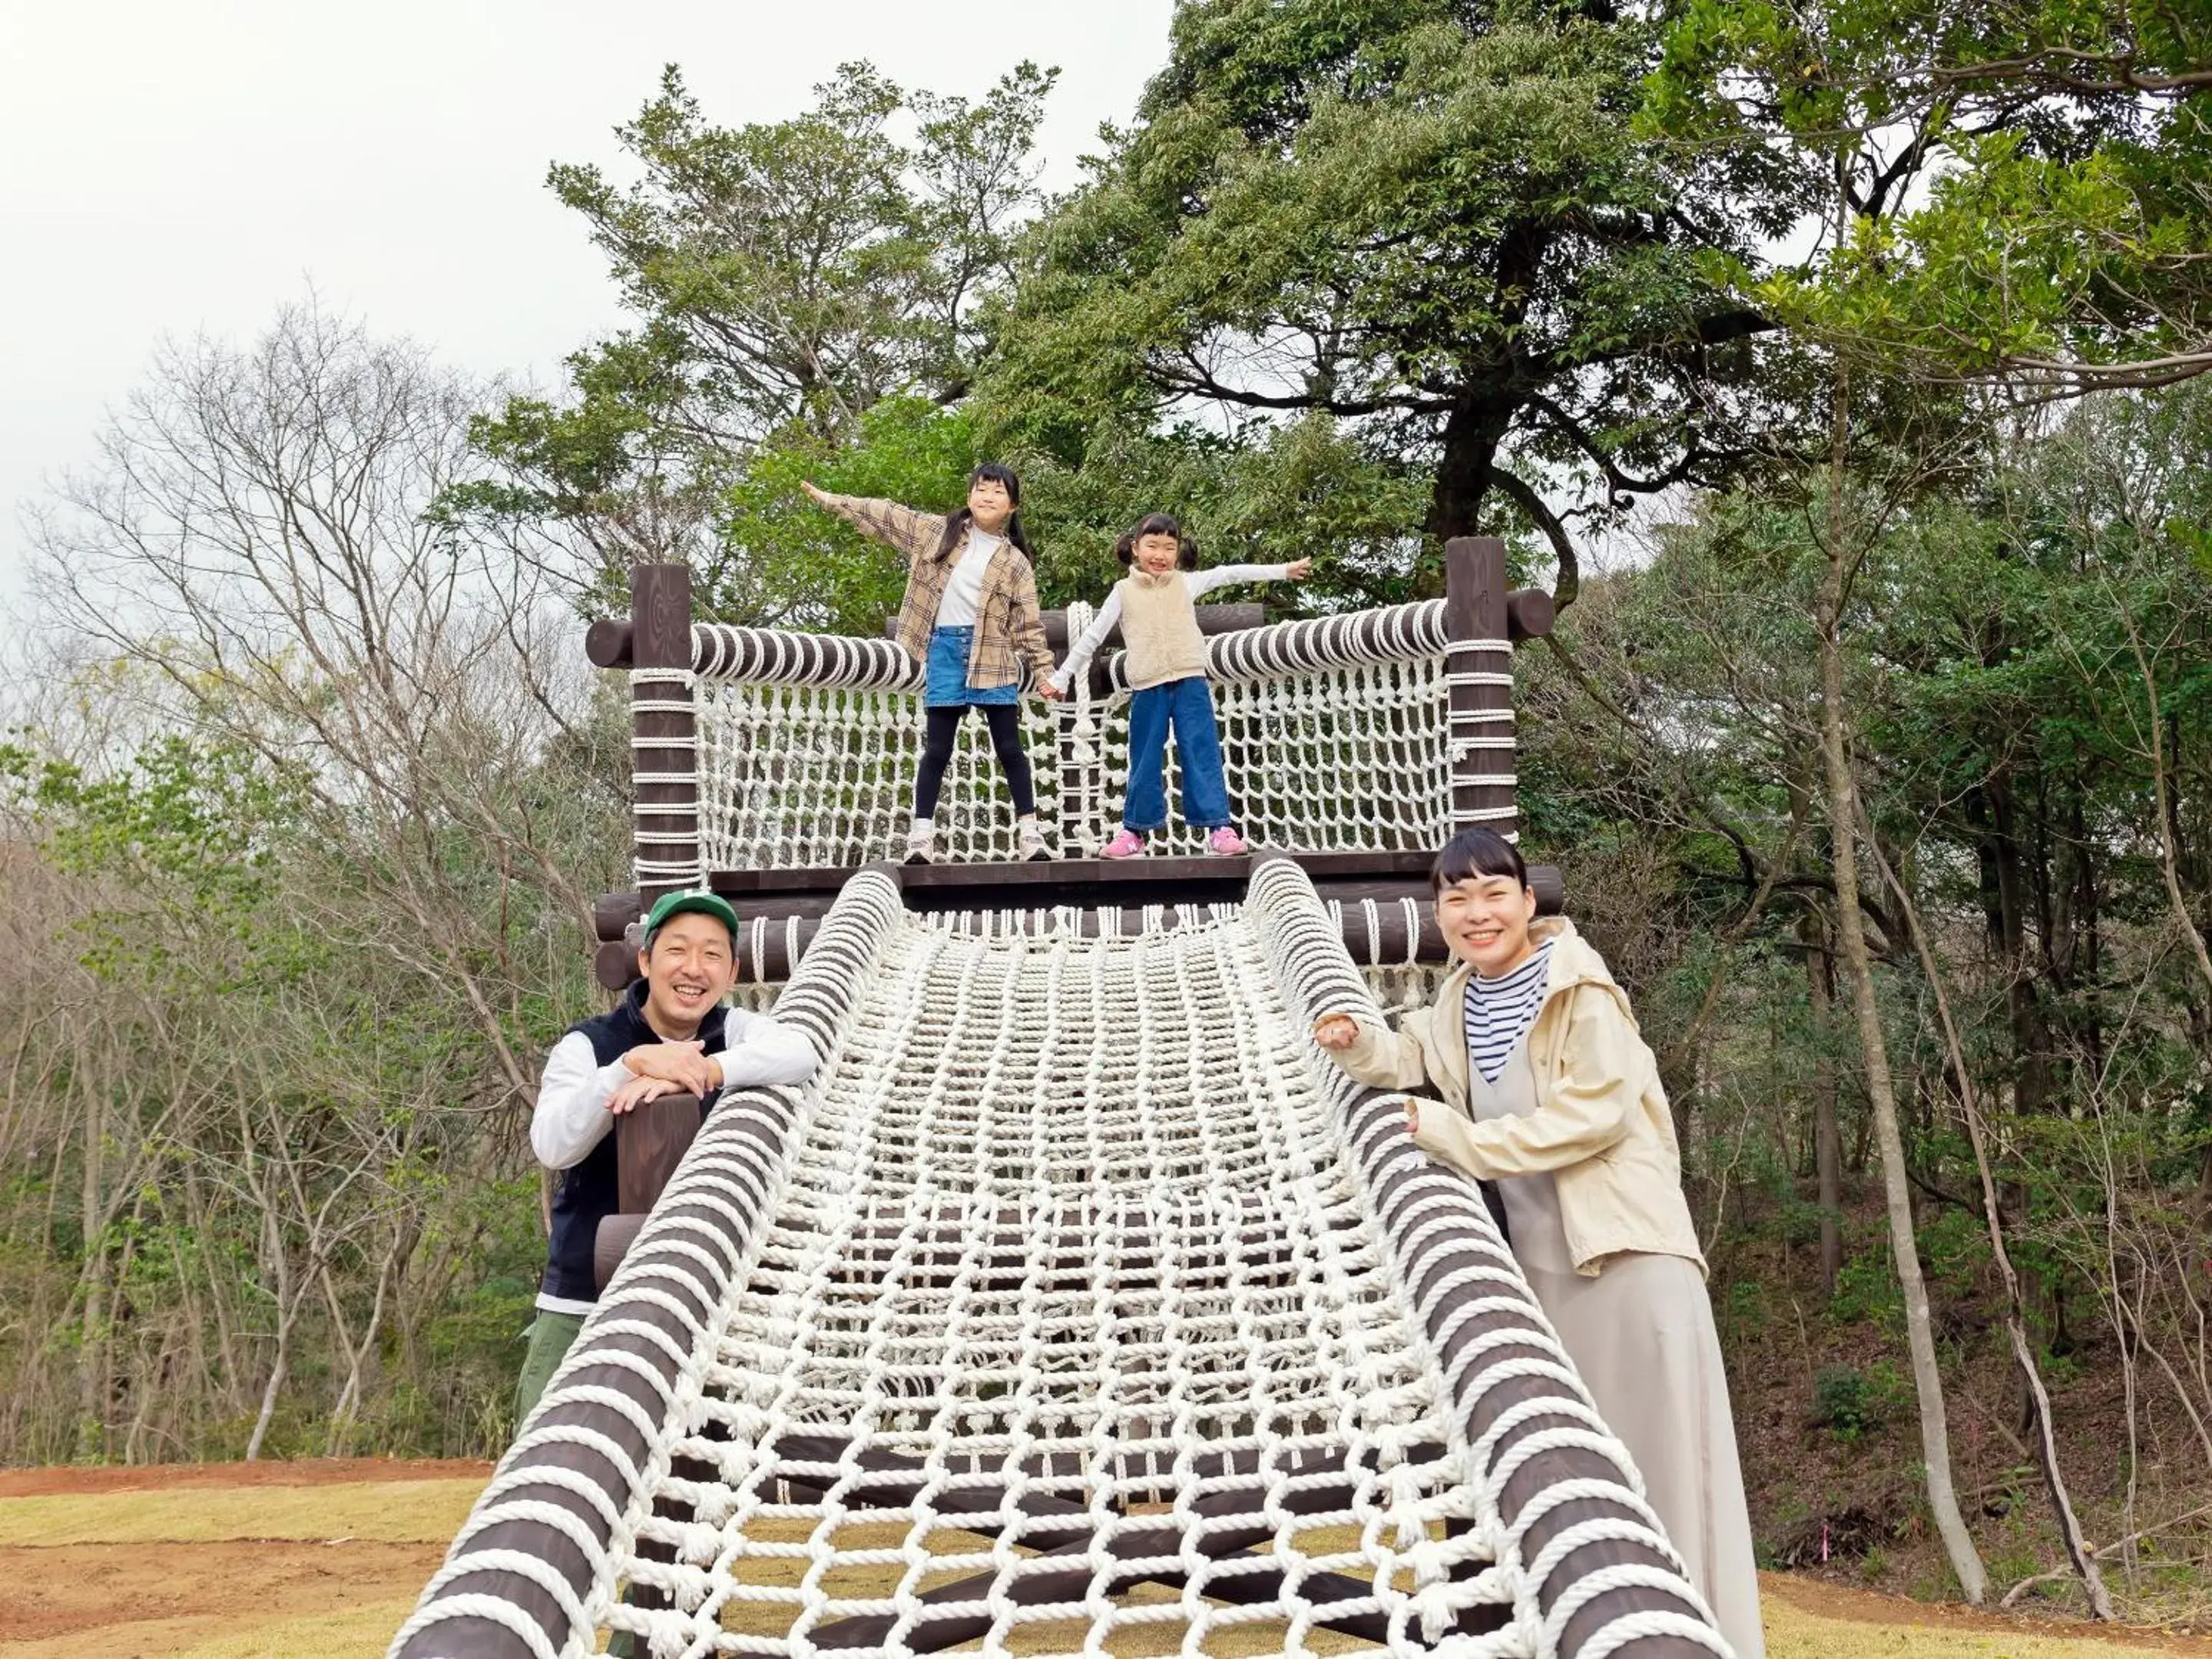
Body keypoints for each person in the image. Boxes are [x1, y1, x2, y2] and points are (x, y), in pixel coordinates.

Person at [1313, 829, 1764, 1658]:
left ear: (1529, 902)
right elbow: (1410, 1053)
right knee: (1582, 1478)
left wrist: (1459, 1140)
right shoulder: (1460, 998)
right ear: (1440, 913)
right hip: (1546, 1276)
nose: (1477, 913)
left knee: (1664, 1477)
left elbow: (1593, 1118)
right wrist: (1356, 1040)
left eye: (1494, 894)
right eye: (1457, 897)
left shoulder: (1583, 994)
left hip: (1629, 1261)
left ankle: (1696, 1641)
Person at [517, 889, 819, 1425]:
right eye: (677, 950)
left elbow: (801, 1053)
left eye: (712, 954)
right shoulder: (589, 1045)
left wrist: (707, 1070)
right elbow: (553, 1144)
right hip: (585, 1297)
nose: (694, 969)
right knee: (552, 1452)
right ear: (645, 960)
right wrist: (630, 1067)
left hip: (706, 1298)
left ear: (732, 973)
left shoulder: (736, 1032)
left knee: (696, 1473)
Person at [801, 466, 1062, 863]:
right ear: (969, 495)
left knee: (1009, 746)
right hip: (944, 649)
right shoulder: (938, 532)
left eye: (997, 492)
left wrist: (1043, 673)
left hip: (992, 652)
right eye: (980, 489)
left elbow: (1028, 624)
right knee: (937, 747)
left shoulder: (1016, 563)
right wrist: (834, 501)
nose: (987, 496)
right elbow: (886, 514)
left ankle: (1031, 836)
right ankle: (920, 838)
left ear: (1013, 505)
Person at [1051, 512, 1309, 857]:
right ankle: (1134, 832)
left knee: (1200, 752)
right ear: (1135, 548)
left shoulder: (1186, 583)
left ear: (1177, 551)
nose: (1160, 554)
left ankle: (1219, 828)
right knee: (1144, 757)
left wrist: (1282, 570)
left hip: (1190, 681)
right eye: (1152, 546)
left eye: (1169, 547)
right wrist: (1061, 676)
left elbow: (1229, 573)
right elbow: (1093, 636)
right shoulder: (1123, 591)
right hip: (1148, 685)